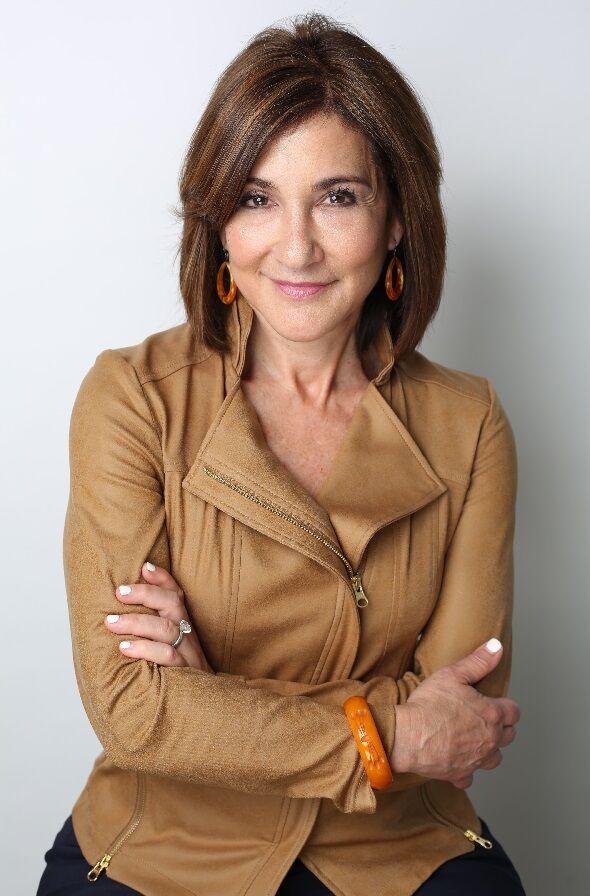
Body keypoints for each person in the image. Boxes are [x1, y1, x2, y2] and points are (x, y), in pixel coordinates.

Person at [36, 12, 526, 896]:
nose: (295, 247)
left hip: (396, 850)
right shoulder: (131, 397)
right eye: (257, 198)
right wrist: (388, 731)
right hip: (167, 849)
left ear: (397, 219)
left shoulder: (472, 423)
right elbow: (134, 710)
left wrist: (212, 697)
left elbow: (462, 716)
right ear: (219, 222)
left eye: (338, 197)